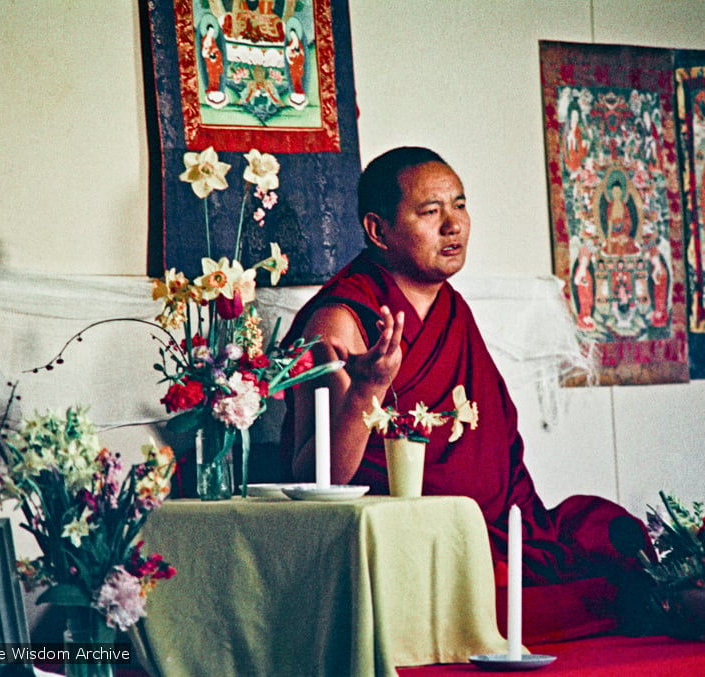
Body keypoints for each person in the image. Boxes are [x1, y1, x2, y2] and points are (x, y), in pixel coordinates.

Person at [279, 146, 654, 631]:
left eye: (459, 205)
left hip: (494, 530)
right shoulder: (340, 319)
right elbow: (315, 479)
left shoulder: (452, 311)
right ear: (378, 231)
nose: (453, 225)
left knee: (613, 536)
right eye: (430, 212)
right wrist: (367, 389)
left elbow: (495, 443)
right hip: (410, 546)